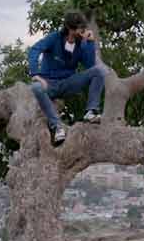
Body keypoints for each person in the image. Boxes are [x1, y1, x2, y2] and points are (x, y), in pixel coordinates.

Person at [28, 10, 103, 146]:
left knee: (98, 71)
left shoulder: (82, 43)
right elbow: (34, 50)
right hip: (49, 84)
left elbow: (90, 65)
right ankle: (57, 126)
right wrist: (35, 74)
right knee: (36, 87)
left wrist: (90, 43)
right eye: (80, 27)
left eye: (83, 27)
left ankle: (91, 112)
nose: (83, 30)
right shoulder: (54, 38)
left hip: (68, 83)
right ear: (70, 28)